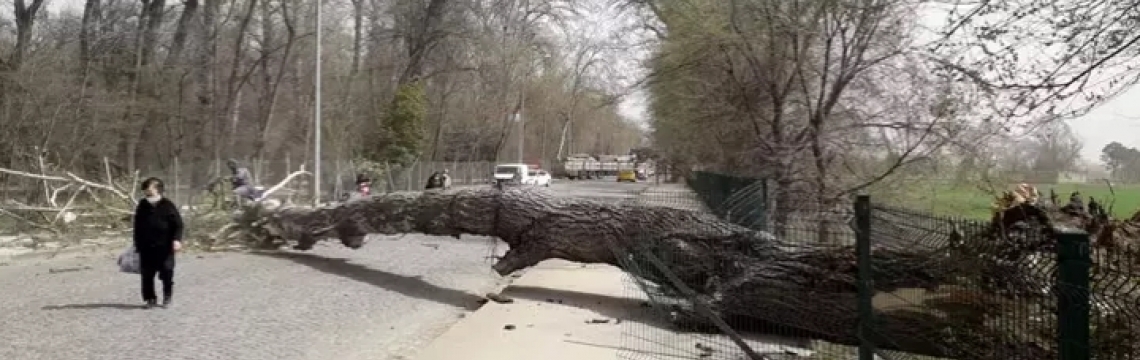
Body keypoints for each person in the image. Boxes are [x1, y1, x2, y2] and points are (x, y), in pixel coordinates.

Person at [133, 177, 184, 309]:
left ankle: (167, 297)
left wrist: (177, 240)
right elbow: (137, 226)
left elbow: (178, 224)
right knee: (147, 274)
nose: (146, 191)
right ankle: (150, 298)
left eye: (149, 188)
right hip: (147, 246)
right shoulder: (142, 205)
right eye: (145, 189)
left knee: (167, 271)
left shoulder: (167, 205)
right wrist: (137, 244)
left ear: (157, 189)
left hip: (165, 246)